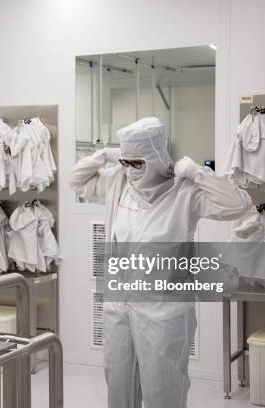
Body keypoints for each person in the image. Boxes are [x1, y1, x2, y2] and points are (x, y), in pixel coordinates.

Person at [69, 117, 251, 408]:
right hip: (119, 304)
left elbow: (239, 205)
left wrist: (196, 172)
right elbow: (75, 181)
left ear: (155, 158)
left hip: (164, 310)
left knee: (162, 389)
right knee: (118, 383)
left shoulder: (185, 191)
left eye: (137, 162)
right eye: (125, 162)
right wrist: (105, 155)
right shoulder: (119, 183)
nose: (130, 170)